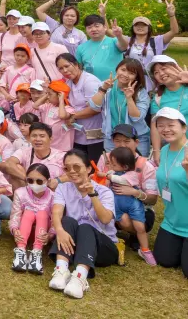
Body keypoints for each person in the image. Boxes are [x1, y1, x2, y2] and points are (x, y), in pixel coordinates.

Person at [48, 149, 119, 299]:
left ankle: (80, 277)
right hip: (76, 245)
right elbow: (56, 213)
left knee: (86, 227)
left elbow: (106, 219)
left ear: (88, 169)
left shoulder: (104, 191)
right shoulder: (63, 188)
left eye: (77, 167)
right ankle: (61, 270)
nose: (72, 171)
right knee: (66, 221)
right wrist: (59, 230)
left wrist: (92, 194)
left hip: (103, 249)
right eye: (67, 168)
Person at [153, 107, 188, 277]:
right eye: (161, 125)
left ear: (184, 128)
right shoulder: (165, 150)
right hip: (172, 222)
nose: (166, 129)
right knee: (164, 260)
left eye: (171, 125)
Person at [90, 59, 150, 155]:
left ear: (136, 77)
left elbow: (137, 118)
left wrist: (129, 98)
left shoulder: (140, 93)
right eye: (123, 70)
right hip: (113, 138)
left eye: (131, 73)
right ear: (117, 69)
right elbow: (94, 106)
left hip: (136, 138)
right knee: (115, 167)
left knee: (138, 167)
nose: (125, 74)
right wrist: (103, 89)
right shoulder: (106, 86)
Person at [56, 53, 105, 161]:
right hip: (78, 135)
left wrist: (74, 116)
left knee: (94, 168)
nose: (64, 70)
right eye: (61, 69)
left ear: (76, 65)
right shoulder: (68, 83)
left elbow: (96, 108)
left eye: (67, 66)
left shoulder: (89, 81)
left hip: (95, 134)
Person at [113, 1, 180, 77]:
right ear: (133, 28)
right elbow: (109, 32)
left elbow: (174, 31)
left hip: (152, 80)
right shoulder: (128, 41)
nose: (140, 27)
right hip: (132, 78)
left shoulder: (157, 41)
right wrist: (103, 15)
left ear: (149, 28)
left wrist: (171, 15)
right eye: (137, 25)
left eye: (144, 25)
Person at [9, 162, 54, 273]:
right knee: (28, 212)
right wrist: (15, 230)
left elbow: (55, 220)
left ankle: (37, 252)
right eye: (30, 180)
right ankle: (21, 250)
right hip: (24, 228)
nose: (34, 184)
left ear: (48, 181)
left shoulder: (53, 196)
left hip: (43, 230)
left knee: (42, 213)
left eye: (39, 181)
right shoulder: (20, 193)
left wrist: (50, 235)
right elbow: (15, 214)